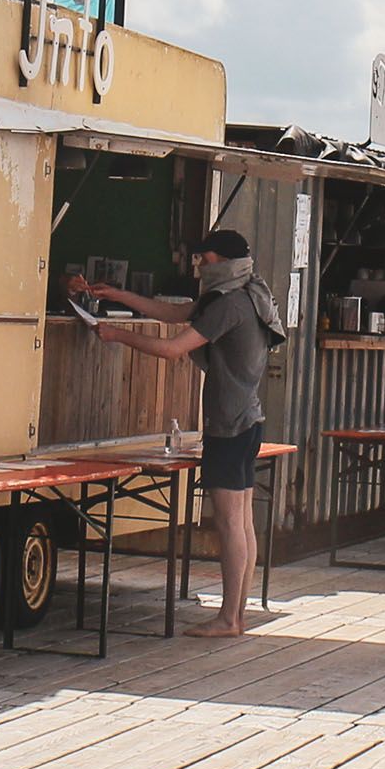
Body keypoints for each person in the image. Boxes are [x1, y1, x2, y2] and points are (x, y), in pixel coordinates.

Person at [87, 226, 283, 638]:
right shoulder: (249, 293)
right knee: (243, 522)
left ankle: (230, 619)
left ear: (223, 262)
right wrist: (119, 296)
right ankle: (238, 616)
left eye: (206, 260)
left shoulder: (230, 304)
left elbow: (173, 348)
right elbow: (176, 314)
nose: (201, 267)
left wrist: (117, 334)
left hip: (229, 426)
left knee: (230, 524)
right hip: (249, 420)